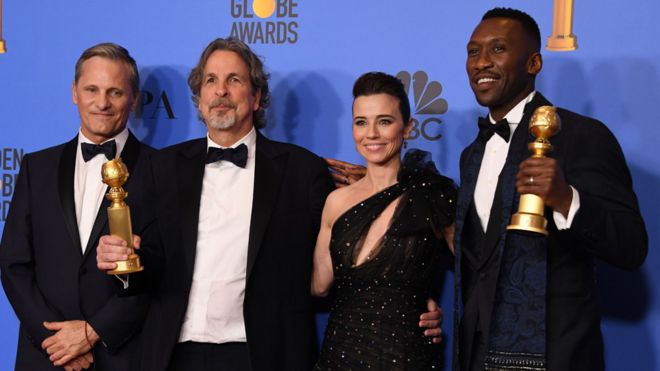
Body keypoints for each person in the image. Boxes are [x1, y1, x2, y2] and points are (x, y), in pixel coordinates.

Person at [455, 8, 648, 370]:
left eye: (498, 49)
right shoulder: (471, 155)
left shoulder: (580, 136)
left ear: (534, 63)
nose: (481, 63)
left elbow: (631, 246)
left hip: (554, 355)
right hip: (477, 356)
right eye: (472, 51)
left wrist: (565, 199)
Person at [0, 43, 153, 370]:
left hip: (122, 356)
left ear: (135, 99)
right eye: (91, 89)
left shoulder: (162, 170)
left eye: (115, 92)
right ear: (74, 92)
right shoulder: (35, 168)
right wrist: (55, 341)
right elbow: (14, 265)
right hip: (46, 356)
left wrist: (94, 332)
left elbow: (168, 273)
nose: (102, 103)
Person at [312, 72, 457, 370]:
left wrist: (436, 308)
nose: (372, 134)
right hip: (341, 355)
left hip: (406, 356)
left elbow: (478, 272)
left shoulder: (434, 195)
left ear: (407, 127)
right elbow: (318, 285)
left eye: (385, 121)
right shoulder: (336, 202)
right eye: (361, 122)